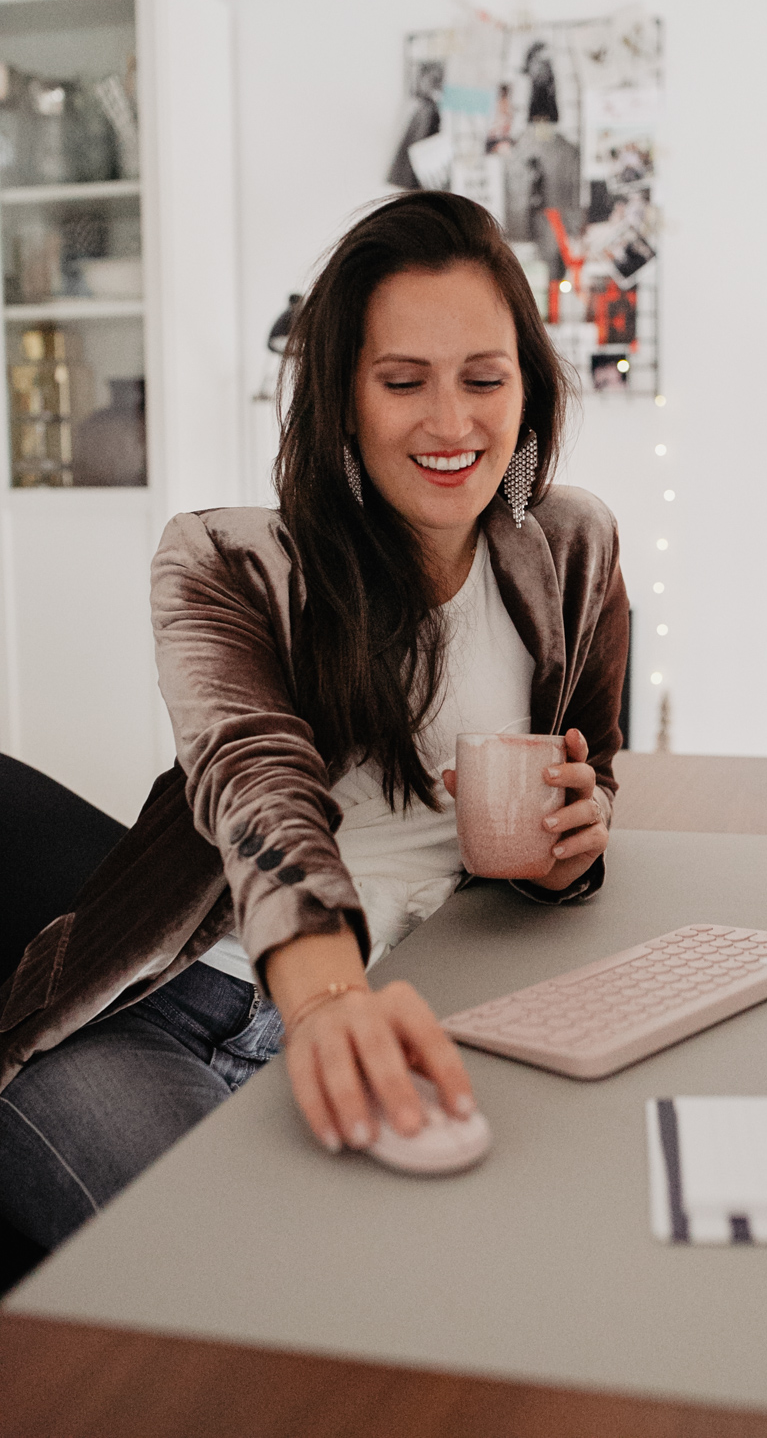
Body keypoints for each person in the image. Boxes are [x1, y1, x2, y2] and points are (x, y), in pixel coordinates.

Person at [0, 191, 629, 1251]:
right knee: (251, 1300)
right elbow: (257, 787)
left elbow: (594, 768)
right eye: (402, 383)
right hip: (173, 1014)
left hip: (417, 1000)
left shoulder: (572, 550)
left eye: (484, 378)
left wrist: (572, 848)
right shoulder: (230, 563)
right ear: (343, 398)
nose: (450, 423)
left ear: (529, 389)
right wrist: (328, 995)